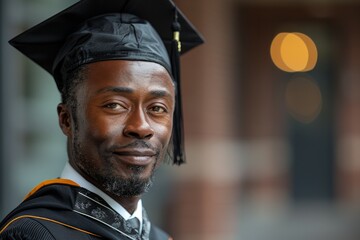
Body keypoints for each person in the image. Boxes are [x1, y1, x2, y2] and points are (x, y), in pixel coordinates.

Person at [0, 0, 203, 239]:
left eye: (157, 107)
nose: (141, 127)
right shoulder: (33, 234)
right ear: (67, 120)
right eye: (115, 105)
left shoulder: (159, 237)